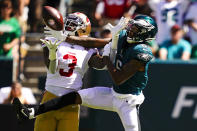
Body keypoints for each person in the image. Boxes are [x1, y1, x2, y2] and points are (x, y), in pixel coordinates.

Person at [13, 15, 157, 131]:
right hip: (112, 94)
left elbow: (117, 78)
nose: (131, 30)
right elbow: (92, 42)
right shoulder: (125, 38)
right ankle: (31, 112)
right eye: (132, 27)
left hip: (128, 101)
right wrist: (64, 39)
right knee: (73, 97)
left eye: (136, 29)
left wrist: (108, 55)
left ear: (145, 34)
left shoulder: (142, 53)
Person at [33, 12, 105, 131]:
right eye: (68, 21)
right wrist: (52, 52)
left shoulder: (89, 49)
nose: (68, 24)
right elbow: (50, 68)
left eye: (74, 22)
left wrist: (109, 50)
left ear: (83, 28)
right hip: (50, 96)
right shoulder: (53, 39)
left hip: (71, 100)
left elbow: (101, 65)